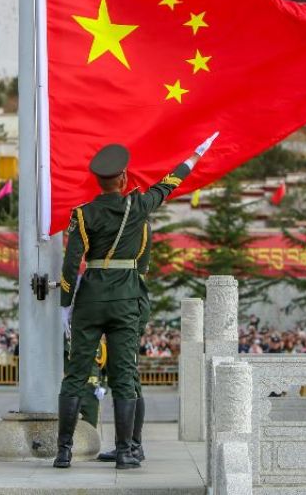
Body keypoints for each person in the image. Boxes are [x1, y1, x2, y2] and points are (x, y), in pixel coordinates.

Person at [54, 133, 217, 470]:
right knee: (125, 375)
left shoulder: (82, 214)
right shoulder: (139, 206)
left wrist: (65, 303)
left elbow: (71, 264)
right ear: (124, 178)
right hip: (126, 298)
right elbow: (169, 183)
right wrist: (195, 155)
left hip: (91, 299)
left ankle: (64, 451)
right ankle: (126, 451)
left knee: (75, 374)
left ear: (98, 181)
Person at [96, 219, 152, 464]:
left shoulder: (138, 227)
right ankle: (127, 444)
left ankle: (133, 446)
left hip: (130, 303)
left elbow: (139, 268)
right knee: (124, 381)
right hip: (122, 303)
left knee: (129, 381)